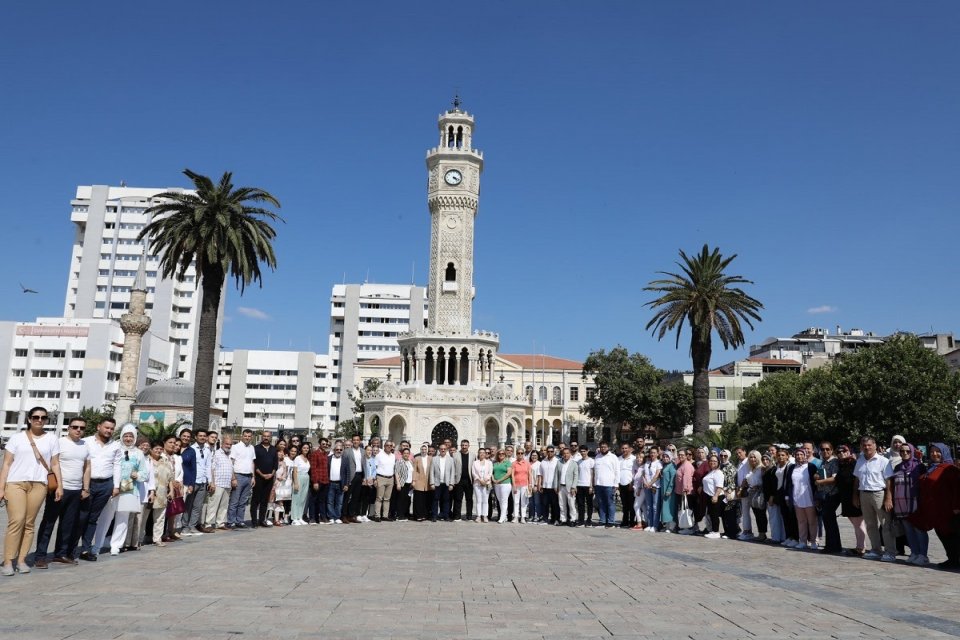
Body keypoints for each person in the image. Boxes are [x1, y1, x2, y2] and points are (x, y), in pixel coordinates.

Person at [0, 407, 62, 575]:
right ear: (29, 419)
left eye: (43, 417)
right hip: (15, 483)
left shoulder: (51, 439)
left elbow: (55, 464)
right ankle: (7, 561)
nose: (39, 420)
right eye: (35, 417)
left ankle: (21, 560)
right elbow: (6, 464)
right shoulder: (16, 438)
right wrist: (1, 487)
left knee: (29, 523)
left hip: (39, 484)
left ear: (47, 420)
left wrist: (59, 486)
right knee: (17, 520)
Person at [34, 416, 89, 568]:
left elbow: (87, 467)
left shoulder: (85, 445)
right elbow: (54, 464)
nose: (78, 430)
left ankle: (61, 554)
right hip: (59, 489)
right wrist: (59, 486)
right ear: (69, 428)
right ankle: (40, 556)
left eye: (82, 428)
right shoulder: (59, 443)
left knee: (67, 524)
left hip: (76, 490)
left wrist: (85, 488)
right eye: (75, 427)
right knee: (49, 522)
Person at [910, 443, 960, 569]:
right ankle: (952, 559)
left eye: (938, 451)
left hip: (947, 510)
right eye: (932, 451)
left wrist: (956, 507)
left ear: (944, 452)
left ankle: (955, 560)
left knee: (951, 535)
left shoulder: (950, 469)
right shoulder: (931, 468)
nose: (934, 454)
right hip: (934, 510)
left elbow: (957, 490)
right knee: (942, 535)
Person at [77, 417, 119, 561]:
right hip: (88, 484)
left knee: (93, 518)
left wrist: (116, 486)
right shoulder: (86, 442)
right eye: (106, 427)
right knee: (82, 516)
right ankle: (70, 548)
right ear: (98, 426)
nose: (109, 431)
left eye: (112, 428)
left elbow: (117, 465)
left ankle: (86, 550)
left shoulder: (115, 445)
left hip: (106, 485)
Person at [853, 436, 895, 561]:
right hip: (864, 494)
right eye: (864, 445)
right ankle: (876, 550)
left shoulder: (883, 461)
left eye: (869, 445)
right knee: (870, 524)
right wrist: (855, 495)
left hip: (879, 494)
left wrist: (888, 498)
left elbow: (889, 480)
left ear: (875, 445)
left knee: (885, 523)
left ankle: (890, 551)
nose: (867, 447)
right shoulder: (860, 461)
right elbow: (856, 479)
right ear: (861, 447)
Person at [108, 424, 147, 556]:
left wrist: (138, 475)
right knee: (106, 515)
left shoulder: (139, 453)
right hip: (112, 487)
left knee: (123, 517)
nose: (128, 439)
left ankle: (116, 545)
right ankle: (101, 541)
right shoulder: (115, 448)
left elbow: (144, 473)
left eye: (131, 436)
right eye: (126, 436)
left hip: (129, 489)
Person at [887, 442, 927, 565]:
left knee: (919, 529)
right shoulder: (898, 467)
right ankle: (914, 553)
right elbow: (893, 485)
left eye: (907, 451)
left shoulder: (919, 467)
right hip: (901, 503)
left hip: (915, 503)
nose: (905, 453)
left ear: (912, 452)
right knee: (908, 530)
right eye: (902, 451)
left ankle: (923, 555)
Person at [834, 444, 866, 556]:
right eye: (838, 452)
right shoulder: (841, 464)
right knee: (855, 523)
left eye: (844, 451)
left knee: (859, 523)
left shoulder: (853, 463)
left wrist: (855, 496)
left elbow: (857, 480)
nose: (841, 453)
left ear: (849, 452)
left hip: (854, 495)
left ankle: (861, 547)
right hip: (845, 497)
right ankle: (859, 546)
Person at [785, 447, 818, 550]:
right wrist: (787, 496)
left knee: (812, 521)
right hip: (796, 497)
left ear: (805, 455)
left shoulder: (811, 467)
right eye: (797, 455)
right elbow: (789, 483)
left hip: (809, 497)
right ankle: (802, 541)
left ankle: (814, 541)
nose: (799, 457)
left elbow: (815, 483)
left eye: (801, 454)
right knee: (801, 521)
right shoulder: (792, 468)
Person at [812, 441, 842, 553]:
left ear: (832, 450)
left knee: (830, 520)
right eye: (823, 449)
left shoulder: (834, 462)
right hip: (824, 495)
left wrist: (820, 481)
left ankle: (834, 546)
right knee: (827, 521)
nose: (825, 451)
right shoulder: (823, 463)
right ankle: (831, 545)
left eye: (827, 449)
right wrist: (816, 476)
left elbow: (835, 478)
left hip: (832, 494)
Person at [149, 436, 176, 547]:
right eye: (156, 448)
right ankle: (139, 539)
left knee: (160, 517)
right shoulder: (146, 460)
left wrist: (171, 490)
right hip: (149, 492)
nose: (158, 451)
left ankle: (157, 538)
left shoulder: (165, 461)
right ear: (151, 449)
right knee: (142, 518)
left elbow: (170, 477)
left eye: (160, 449)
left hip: (162, 492)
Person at [205, 435, 235, 530]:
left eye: (230, 444)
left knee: (224, 506)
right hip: (217, 483)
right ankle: (208, 523)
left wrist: (233, 479)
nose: (228, 446)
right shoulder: (216, 454)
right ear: (222, 444)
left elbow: (231, 468)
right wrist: (212, 483)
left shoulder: (230, 455)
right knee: (213, 505)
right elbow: (212, 469)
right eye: (227, 444)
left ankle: (220, 523)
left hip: (227, 484)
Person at [228, 429, 256, 528]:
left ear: (251, 437)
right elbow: (231, 463)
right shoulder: (235, 447)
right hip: (238, 475)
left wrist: (253, 477)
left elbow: (252, 462)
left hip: (248, 476)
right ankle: (231, 521)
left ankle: (240, 520)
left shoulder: (252, 448)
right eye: (245, 436)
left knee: (243, 501)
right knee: (235, 500)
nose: (247, 438)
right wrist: (233, 478)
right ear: (242, 436)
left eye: (249, 436)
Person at [251, 431, 278, 528]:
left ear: (271, 438)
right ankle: (254, 521)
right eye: (264, 436)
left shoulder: (274, 449)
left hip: (269, 479)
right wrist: (262, 475)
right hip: (258, 478)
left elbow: (276, 464)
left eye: (268, 436)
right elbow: (254, 464)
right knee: (255, 500)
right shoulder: (256, 448)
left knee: (264, 500)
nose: (266, 438)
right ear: (262, 437)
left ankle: (262, 520)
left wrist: (271, 474)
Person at [636, 446, 662, 532]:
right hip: (646, 487)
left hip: (655, 487)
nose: (652, 454)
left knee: (655, 506)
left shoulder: (659, 463)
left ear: (657, 453)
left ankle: (655, 525)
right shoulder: (647, 463)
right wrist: (646, 483)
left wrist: (650, 483)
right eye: (651, 453)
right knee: (648, 506)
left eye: (654, 452)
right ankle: (650, 524)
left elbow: (657, 475)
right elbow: (643, 474)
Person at [430, 443, 455, 521]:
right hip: (437, 483)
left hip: (446, 484)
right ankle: (434, 516)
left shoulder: (450, 459)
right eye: (441, 449)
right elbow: (431, 472)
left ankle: (446, 515)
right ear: (439, 450)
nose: (443, 450)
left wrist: (451, 484)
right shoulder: (434, 459)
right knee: (435, 500)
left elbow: (452, 472)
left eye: (444, 449)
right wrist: (432, 483)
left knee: (446, 500)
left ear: (446, 450)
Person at [702, 454, 725, 539]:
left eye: (715, 461)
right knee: (711, 514)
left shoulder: (718, 473)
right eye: (711, 461)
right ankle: (713, 530)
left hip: (716, 496)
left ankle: (716, 532)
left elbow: (719, 486)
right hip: (709, 496)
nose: (712, 462)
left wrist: (715, 496)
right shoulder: (711, 472)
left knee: (715, 515)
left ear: (718, 462)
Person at [372, 441, 396, 522]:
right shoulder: (379, 455)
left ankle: (385, 515)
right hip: (381, 477)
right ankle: (377, 515)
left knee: (387, 498)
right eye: (387, 445)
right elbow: (374, 467)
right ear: (384, 446)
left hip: (390, 478)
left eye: (390, 445)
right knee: (379, 498)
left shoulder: (393, 456)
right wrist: (374, 479)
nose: (389, 447)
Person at [451, 440, 475, 521]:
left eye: (466, 445)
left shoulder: (473, 455)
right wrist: (453, 481)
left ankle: (469, 516)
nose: (464, 447)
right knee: (458, 499)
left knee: (469, 499)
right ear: (460, 445)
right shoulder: (455, 455)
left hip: (469, 480)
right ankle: (457, 516)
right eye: (463, 445)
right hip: (458, 480)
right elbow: (453, 468)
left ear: (468, 446)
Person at [761, 452, 782, 543]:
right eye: (763, 460)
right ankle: (778, 537)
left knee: (774, 519)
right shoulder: (766, 470)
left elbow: (774, 486)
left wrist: (772, 497)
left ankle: (776, 538)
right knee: (774, 518)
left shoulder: (773, 470)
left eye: (767, 459)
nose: (765, 461)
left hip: (772, 498)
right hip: (768, 497)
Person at [309, 439, 330, 524]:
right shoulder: (315, 454)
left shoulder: (325, 454)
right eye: (323, 444)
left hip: (325, 480)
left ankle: (322, 517)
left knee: (322, 500)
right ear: (320, 444)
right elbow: (313, 469)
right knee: (313, 500)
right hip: (317, 480)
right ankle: (312, 518)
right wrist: (315, 482)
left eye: (326, 444)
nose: (325, 445)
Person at [556, 447, 579, 526]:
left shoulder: (574, 464)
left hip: (570, 487)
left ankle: (573, 519)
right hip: (561, 487)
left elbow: (576, 476)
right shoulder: (559, 463)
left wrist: (573, 487)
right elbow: (556, 475)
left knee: (571, 504)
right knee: (562, 504)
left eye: (567, 453)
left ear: (570, 454)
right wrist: (556, 486)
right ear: (562, 454)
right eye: (564, 453)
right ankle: (563, 519)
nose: (565, 455)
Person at [674, 449, 695, 534]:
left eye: (682, 455)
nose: (680, 456)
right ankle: (684, 526)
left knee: (687, 510)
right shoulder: (681, 464)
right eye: (679, 455)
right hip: (680, 491)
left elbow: (686, 478)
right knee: (683, 510)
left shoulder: (687, 465)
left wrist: (685, 490)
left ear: (686, 456)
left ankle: (689, 527)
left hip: (686, 492)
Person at [538, 446, 560, 525]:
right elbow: (540, 474)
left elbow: (559, 474)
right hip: (545, 486)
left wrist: (558, 486)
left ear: (554, 452)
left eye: (551, 451)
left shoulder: (558, 461)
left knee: (555, 504)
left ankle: (555, 519)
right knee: (545, 503)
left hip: (554, 486)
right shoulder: (543, 461)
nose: (550, 453)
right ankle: (545, 518)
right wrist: (539, 485)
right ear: (546, 452)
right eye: (548, 451)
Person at [290, 444, 311, 525]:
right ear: (301, 449)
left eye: (307, 448)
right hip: (299, 477)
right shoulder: (298, 458)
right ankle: (294, 518)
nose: (306, 449)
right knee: (296, 498)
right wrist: (296, 482)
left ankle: (300, 517)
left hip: (306, 478)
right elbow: (295, 471)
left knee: (303, 499)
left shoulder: (307, 459)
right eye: (304, 448)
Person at [617, 443, 637, 529]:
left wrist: (632, 483)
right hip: (621, 484)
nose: (624, 450)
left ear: (629, 449)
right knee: (624, 505)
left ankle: (632, 521)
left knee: (631, 504)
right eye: (623, 448)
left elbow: (636, 472)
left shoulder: (634, 459)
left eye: (626, 448)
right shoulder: (619, 459)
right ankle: (625, 520)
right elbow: (617, 472)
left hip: (630, 484)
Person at [412, 443, 432, 522]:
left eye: (425, 449)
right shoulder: (417, 458)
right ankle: (417, 515)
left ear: (427, 450)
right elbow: (414, 470)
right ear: (420, 450)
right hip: (418, 481)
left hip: (427, 482)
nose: (423, 451)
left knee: (425, 500)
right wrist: (413, 481)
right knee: (418, 500)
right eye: (422, 449)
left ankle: (424, 515)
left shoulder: (430, 458)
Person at [471, 448, 493, 523]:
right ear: (478, 453)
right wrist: (480, 480)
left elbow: (490, 473)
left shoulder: (489, 463)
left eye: (483, 452)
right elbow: (474, 473)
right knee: (478, 500)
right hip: (477, 483)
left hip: (486, 483)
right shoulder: (475, 463)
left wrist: (485, 480)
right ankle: (478, 516)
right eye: (480, 452)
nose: (482, 454)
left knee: (485, 500)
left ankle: (485, 516)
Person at [327, 443, 346, 524]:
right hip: (330, 483)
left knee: (339, 502)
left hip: (340, 484)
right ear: (334, 450)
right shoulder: (329, 458)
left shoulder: (345, 459)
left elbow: (347, 473)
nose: (339, 451)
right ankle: (331, 517)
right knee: (330, 501)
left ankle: (337, 517)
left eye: (340, 450)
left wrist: (346, 484)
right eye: (337, 449)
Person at [511, 449, 531, 524]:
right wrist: (514, 485)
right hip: (516, 485)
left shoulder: (527, 463)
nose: (520, 454)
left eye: (521, 453)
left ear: (523, 454)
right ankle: (516, 517)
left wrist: (530, 485)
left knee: (524, 502)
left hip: (524, 485)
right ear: (516, 454)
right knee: (516, 502)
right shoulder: (514, 463)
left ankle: (523, 517)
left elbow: (529, 474)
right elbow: (512, 475)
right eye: (518, 453)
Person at [659, 450, 677, 533]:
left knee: (669, 508)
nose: (665, 458)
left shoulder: (672, 466)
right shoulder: (664, 465)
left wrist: (669, 489)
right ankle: (666, 526)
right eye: (664, 457)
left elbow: (673, 479)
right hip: (663, 490)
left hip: (669, 491)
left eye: (667, 457)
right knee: (665, 508)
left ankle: (671, 527)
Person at [492, 450, 512, 524]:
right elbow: (492, 472)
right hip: (497, 484)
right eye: (499, 453)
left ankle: (502, 517)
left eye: (503, 453)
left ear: (505, 454)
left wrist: (499, 480)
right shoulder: (495, 463)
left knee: (504, 500)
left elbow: (509, 473)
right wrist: (494, 479)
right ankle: (504, 516)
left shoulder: (507, 463)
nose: (501, 455)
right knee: (500, 501)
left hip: (505, 484)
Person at [394, 447, 413, 520]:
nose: (406, 454)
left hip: (409, 484)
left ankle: (404, 514)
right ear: (402, 454)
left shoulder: (410, 462)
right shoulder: (399, 461)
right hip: (402, 483)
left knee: (406, 500)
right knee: (401, 500)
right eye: (405, 453)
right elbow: (396, 473)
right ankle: (399, 515)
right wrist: (398, 483)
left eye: (408, 453)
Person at [528, 451, 543, 523]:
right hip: (529, 486)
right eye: (532, 455)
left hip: (535, 485)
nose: (534, 457)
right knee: (530, 502)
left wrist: (536, 485)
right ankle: (531, 515)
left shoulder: (539, 464)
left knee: (537, 502)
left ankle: (537, 516)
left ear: (538, 456)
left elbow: (539, 475)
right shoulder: (529, 464)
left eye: (535, 455)